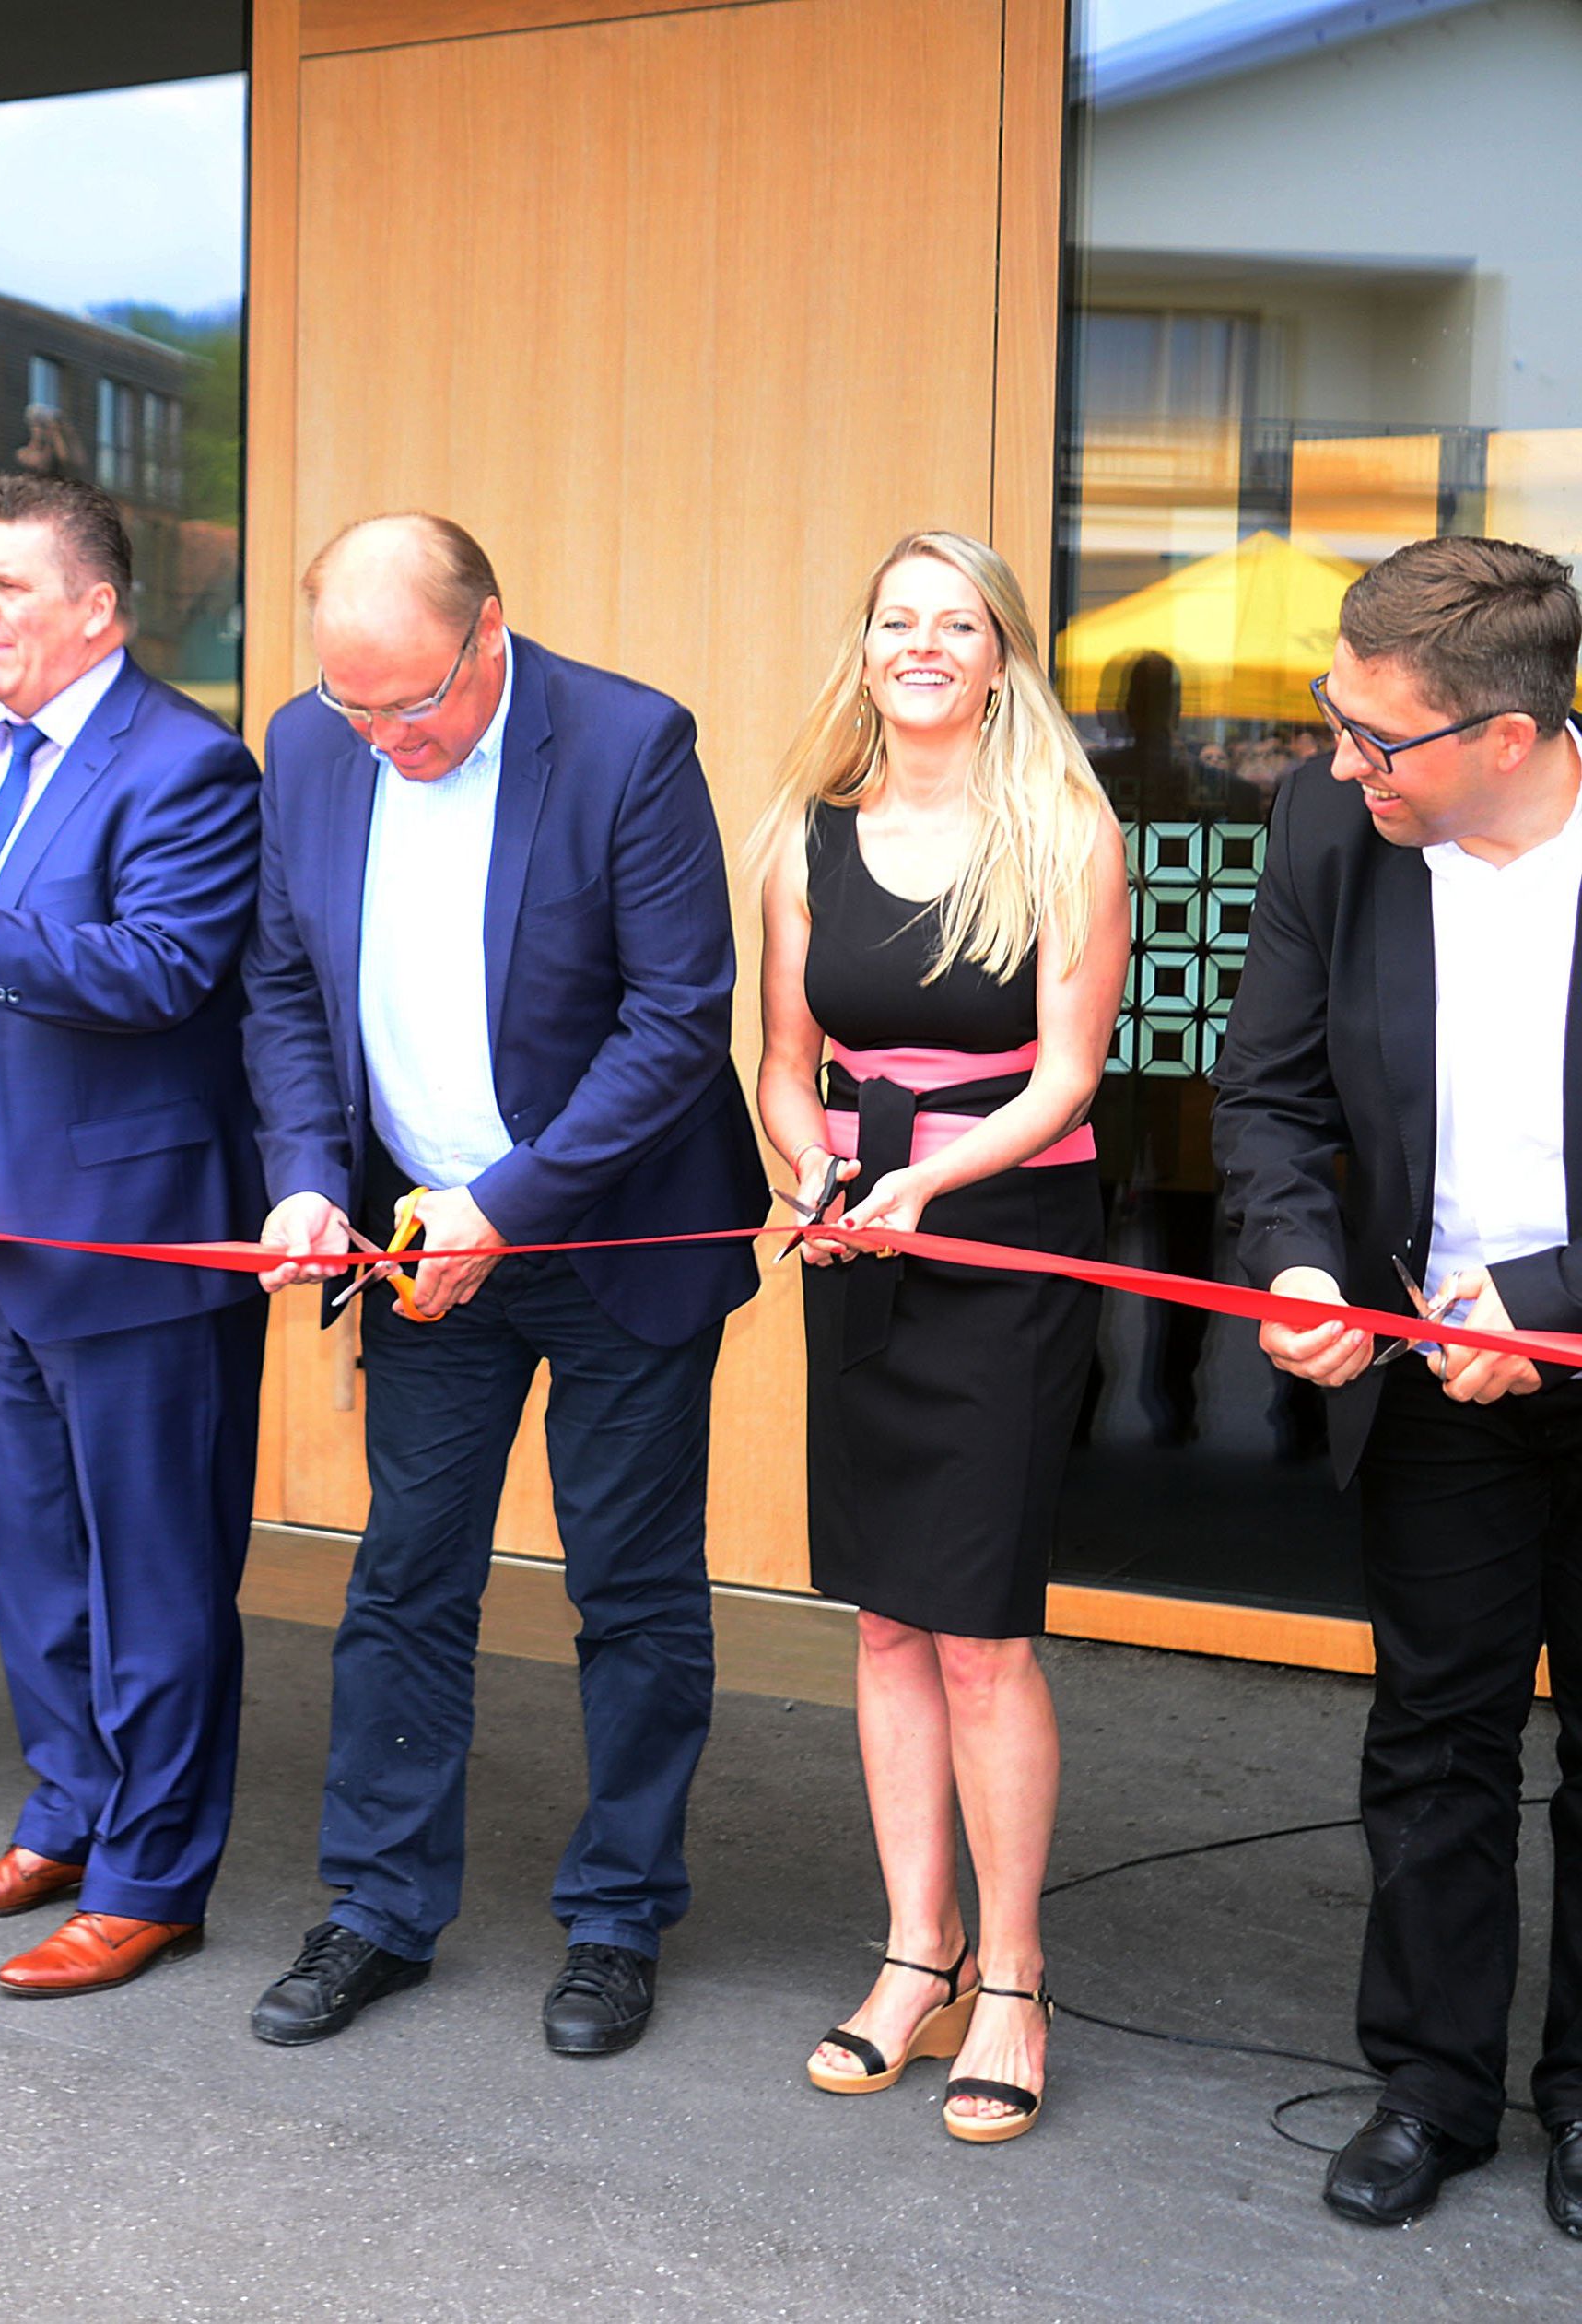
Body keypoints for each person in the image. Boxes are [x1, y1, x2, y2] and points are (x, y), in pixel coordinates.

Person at [240, 514, 768, 2056]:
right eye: (355, 707)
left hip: (614, 1238)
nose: (384, 739)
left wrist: (509, 1203)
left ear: (488, 638)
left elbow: (678, 1022)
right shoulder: (314, 741)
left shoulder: (624, 742)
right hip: (421, 1246)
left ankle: (617, 1917)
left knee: (632, 1585)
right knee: (405, 1574)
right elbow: (282, 979)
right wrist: (309, 1175)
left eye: (414, 706)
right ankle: (379, 1907)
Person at [0, 473, 264, 1996]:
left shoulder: (192, 766)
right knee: (40, 1568)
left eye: (10, 586)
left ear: (100, 608)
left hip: (143, 1245)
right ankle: (68, 1813)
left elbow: (158, 971)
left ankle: (154, 1876)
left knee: (156, 1582)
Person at [1213, 534, 1582, 2236]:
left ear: (1509, 735)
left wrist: (1544, 1299)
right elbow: (1270, 1101)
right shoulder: (1328, 830)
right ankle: (1432, 2088)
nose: (1339, 759)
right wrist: (1297, 1265)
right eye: (1332, 716)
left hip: (1552, 1324)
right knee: (1435, 1735)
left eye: (1379, 736)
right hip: (1432, 1366)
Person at [754, 533, 1126, 2144]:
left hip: (1010, 1240)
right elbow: (780, 1056)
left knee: (979, 1624)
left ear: (1000, 654)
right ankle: (919, 1951)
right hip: (866, 1243)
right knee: (887, 1618)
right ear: (870, 647)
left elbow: (1067, 1079)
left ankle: (1020, 1978)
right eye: (896, 619)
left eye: (952, 623)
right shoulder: (802, 834)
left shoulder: (1062, 829)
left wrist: (926, 1176)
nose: (921, 644)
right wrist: (817, 1166)